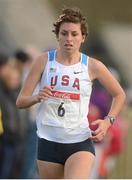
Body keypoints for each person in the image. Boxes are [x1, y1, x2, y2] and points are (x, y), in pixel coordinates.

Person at [16, 7, 126, 179]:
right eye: (64, 33)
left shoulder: (92, 66)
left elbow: (119, 95)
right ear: (57, 35)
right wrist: (37, 97)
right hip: (48, 142)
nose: (69, 39)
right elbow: (20, 101)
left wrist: (108, 122)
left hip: (79, 142)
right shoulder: (43, 61)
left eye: (74, 34)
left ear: (83, 37)